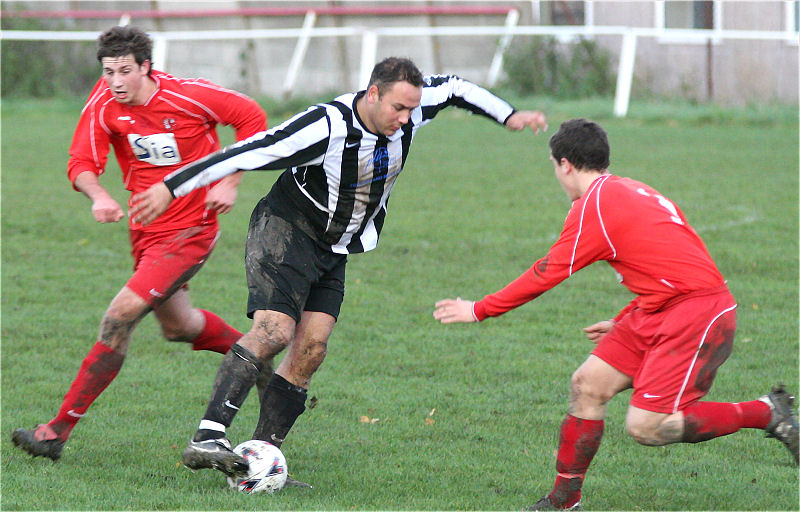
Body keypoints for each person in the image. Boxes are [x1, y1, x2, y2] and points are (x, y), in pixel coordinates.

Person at [128, 57, 548, 480]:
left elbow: (457, 87)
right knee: (275, 331)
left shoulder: (411, 107)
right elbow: (249, 150)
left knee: (311, 349)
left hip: (334, 247)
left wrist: (509, 115)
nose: (406, 120)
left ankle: (262, 460)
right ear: (372, 94)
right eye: (397, 109)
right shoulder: (326, 126)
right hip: (285, 230)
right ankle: (208, 435)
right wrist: (170, 186)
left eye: (411, 110)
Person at [432, 118, 799, 510]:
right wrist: (627, 318)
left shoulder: (593, 206)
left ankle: (765, 413)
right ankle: (563, 500)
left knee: (647, 426)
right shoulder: (631, 188)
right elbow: (666, 259)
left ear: (565, 165)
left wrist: (479, 309)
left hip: (696, 313)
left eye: (554, 167)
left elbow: (546, 272)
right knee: (588, 384)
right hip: (658, 309)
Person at [11, 25, 268, 462]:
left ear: (146, 67)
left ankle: (55, 432)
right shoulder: (105, 101)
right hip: (146, 232)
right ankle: (260, 356)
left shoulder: (188, 95)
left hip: (191, 230)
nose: (115, 81)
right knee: (179, 327)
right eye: (108, 71)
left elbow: (253, 120)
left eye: (124, 71)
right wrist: (100, 195)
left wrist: (230, 180)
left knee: (120, 316)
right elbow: (80, 163)